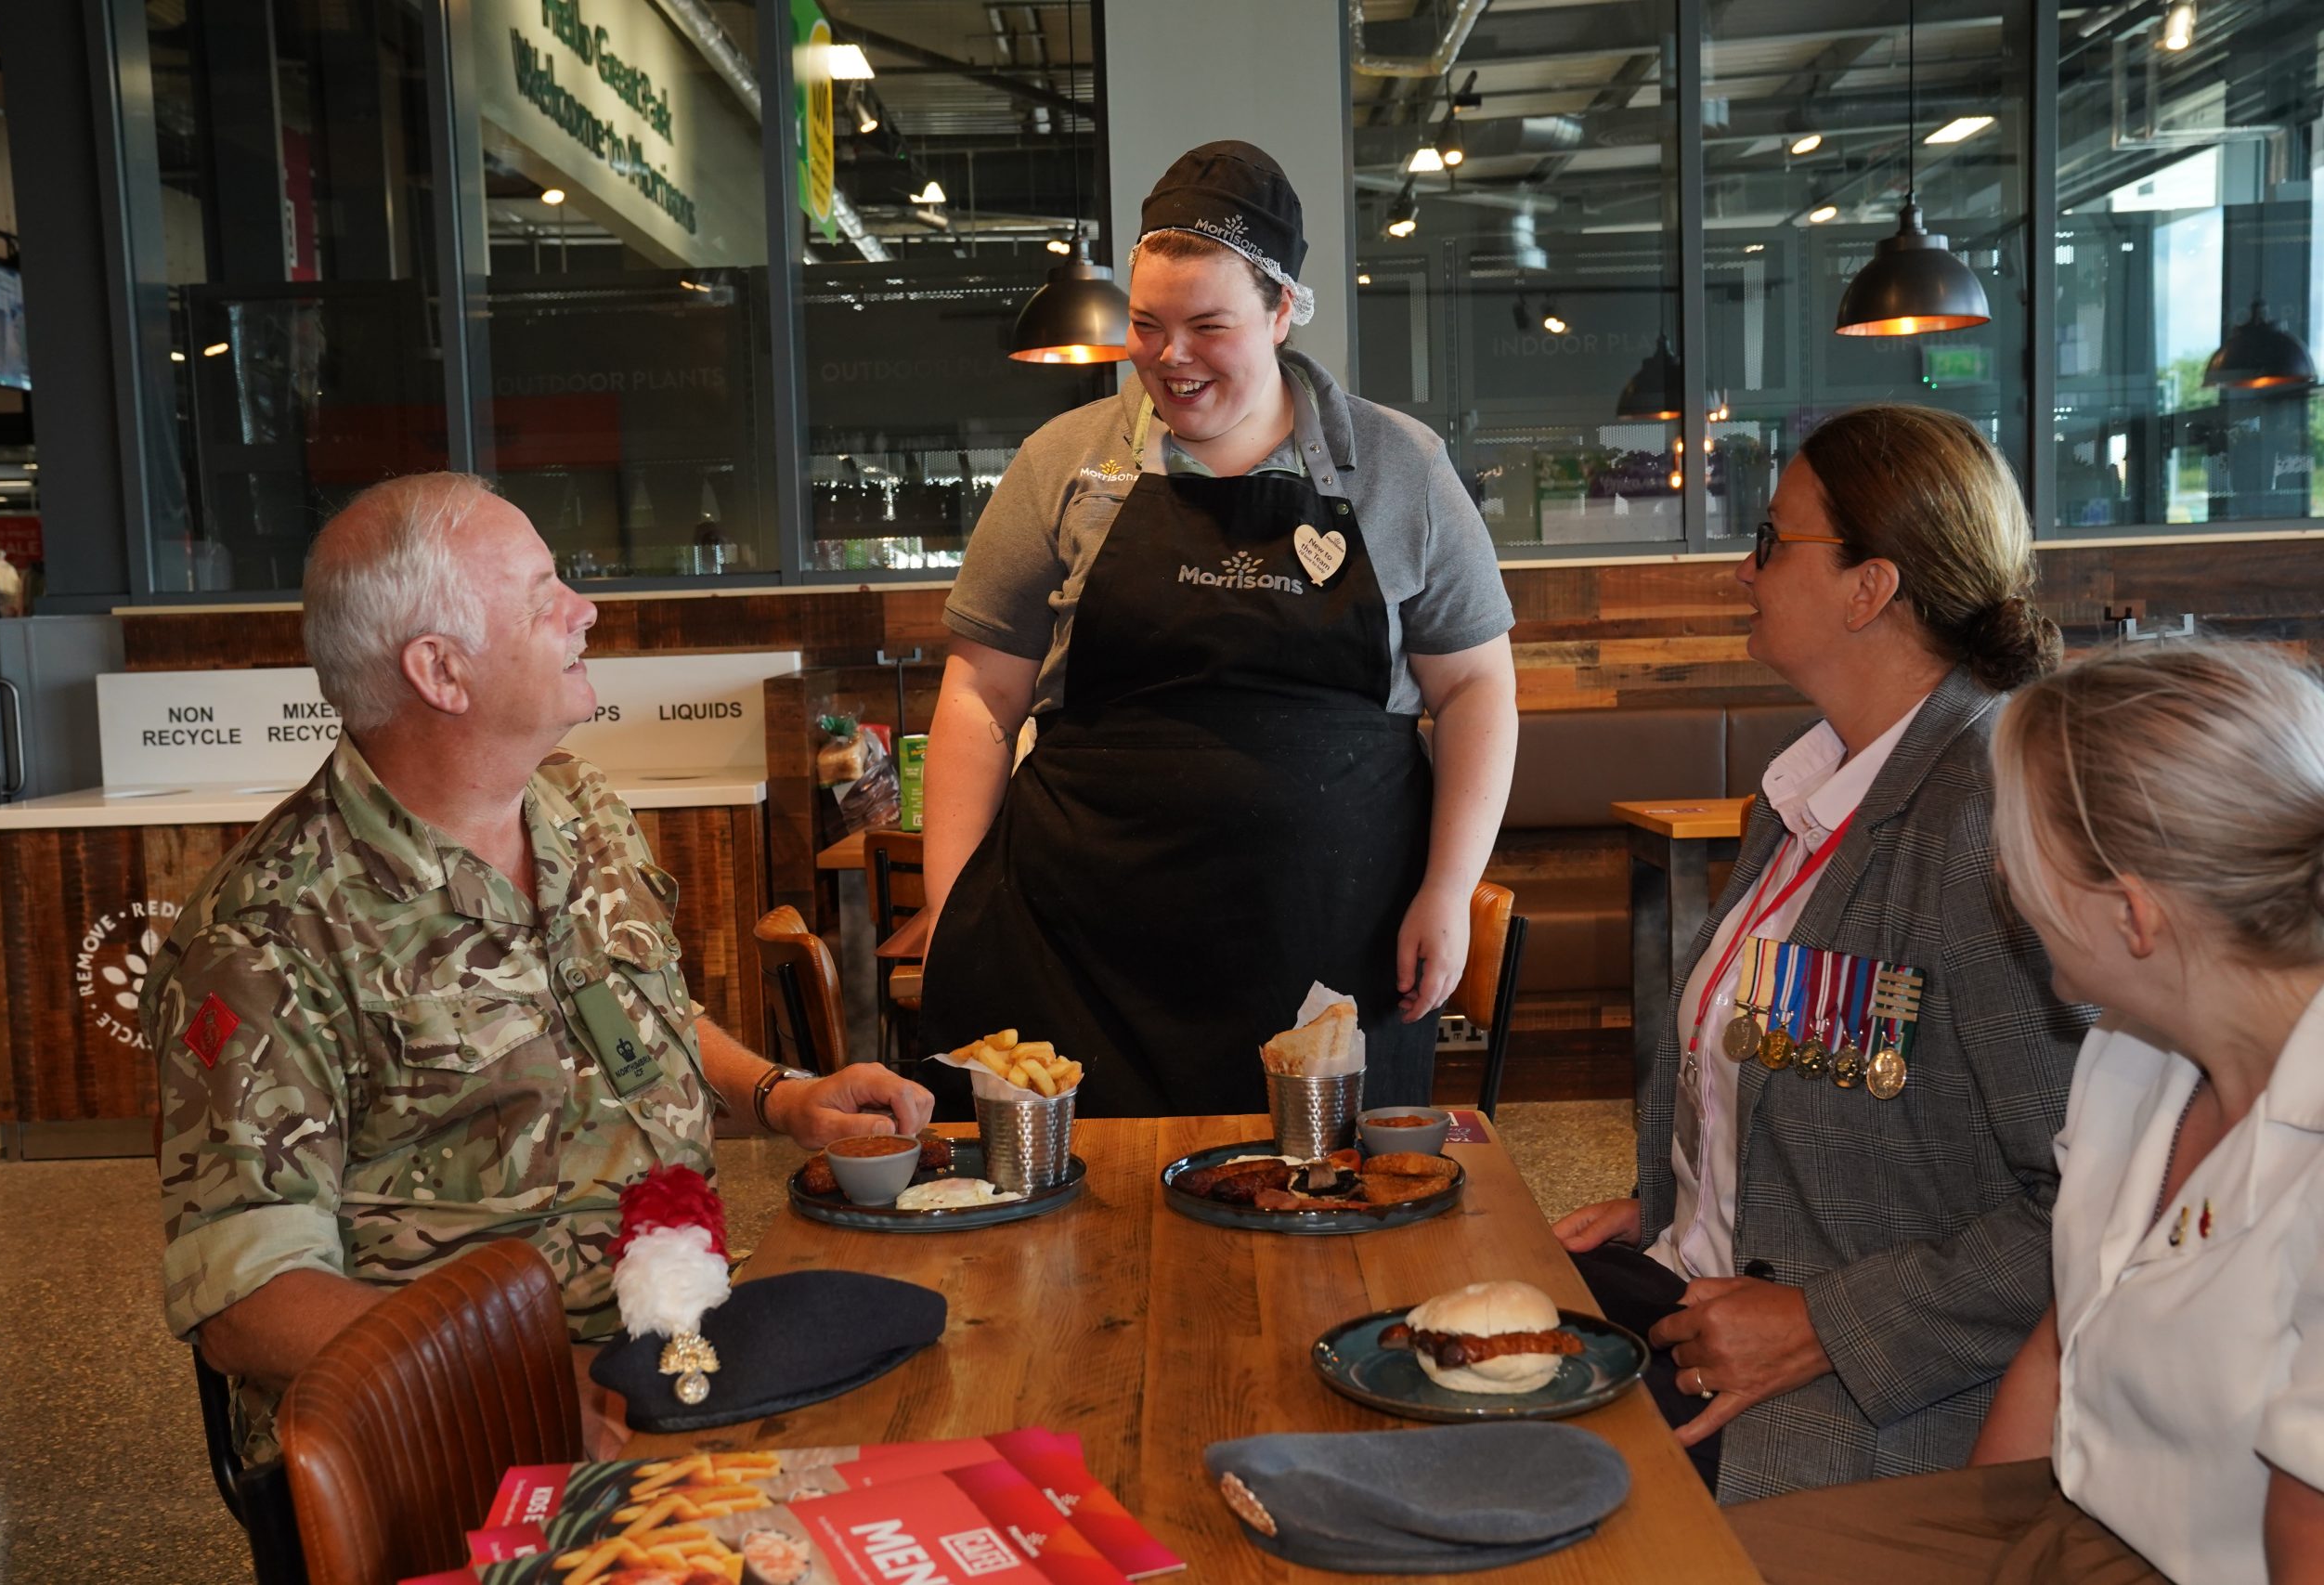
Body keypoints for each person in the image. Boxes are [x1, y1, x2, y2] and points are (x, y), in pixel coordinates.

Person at [149, 473, 932, 1464]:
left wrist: (785, 1099)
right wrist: (510, 1390)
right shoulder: (266, 935)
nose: (585, 610)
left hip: (673, 1363)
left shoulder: (574, 803)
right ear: (441, 671)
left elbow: (638, 1024)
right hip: (443, 1447)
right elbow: (248, 1300)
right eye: (542, 593)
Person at [1549, 404, 2091, 1501]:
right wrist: (1678, 1200)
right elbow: (1825, 1072)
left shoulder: (1987, 825)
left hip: (1862, 1407)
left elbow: (2089, 1201)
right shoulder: (1806, 793)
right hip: (1700, 1295)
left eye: (1769, 542)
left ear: (1869, 586)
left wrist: (1821, 1326)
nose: (1740, 573)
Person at [918, 140, 1517, 1116]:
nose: (1171, 358)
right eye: (1146, 327)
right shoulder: (1062, 464)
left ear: (1282, 312)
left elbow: (1476, 690)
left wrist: (1448, 889)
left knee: (1326, 1232)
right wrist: (950, 909)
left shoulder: (1400, 468)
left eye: (1209, 326)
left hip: (1332, 939)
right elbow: (981, 694)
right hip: (1080, 947)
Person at [1731, 641, 2324, 1585]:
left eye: (2015, 848)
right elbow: (2061, 1343)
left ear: (2133, 918)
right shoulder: (2132, 1050)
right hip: (2068, 1512)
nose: (1997, 876)